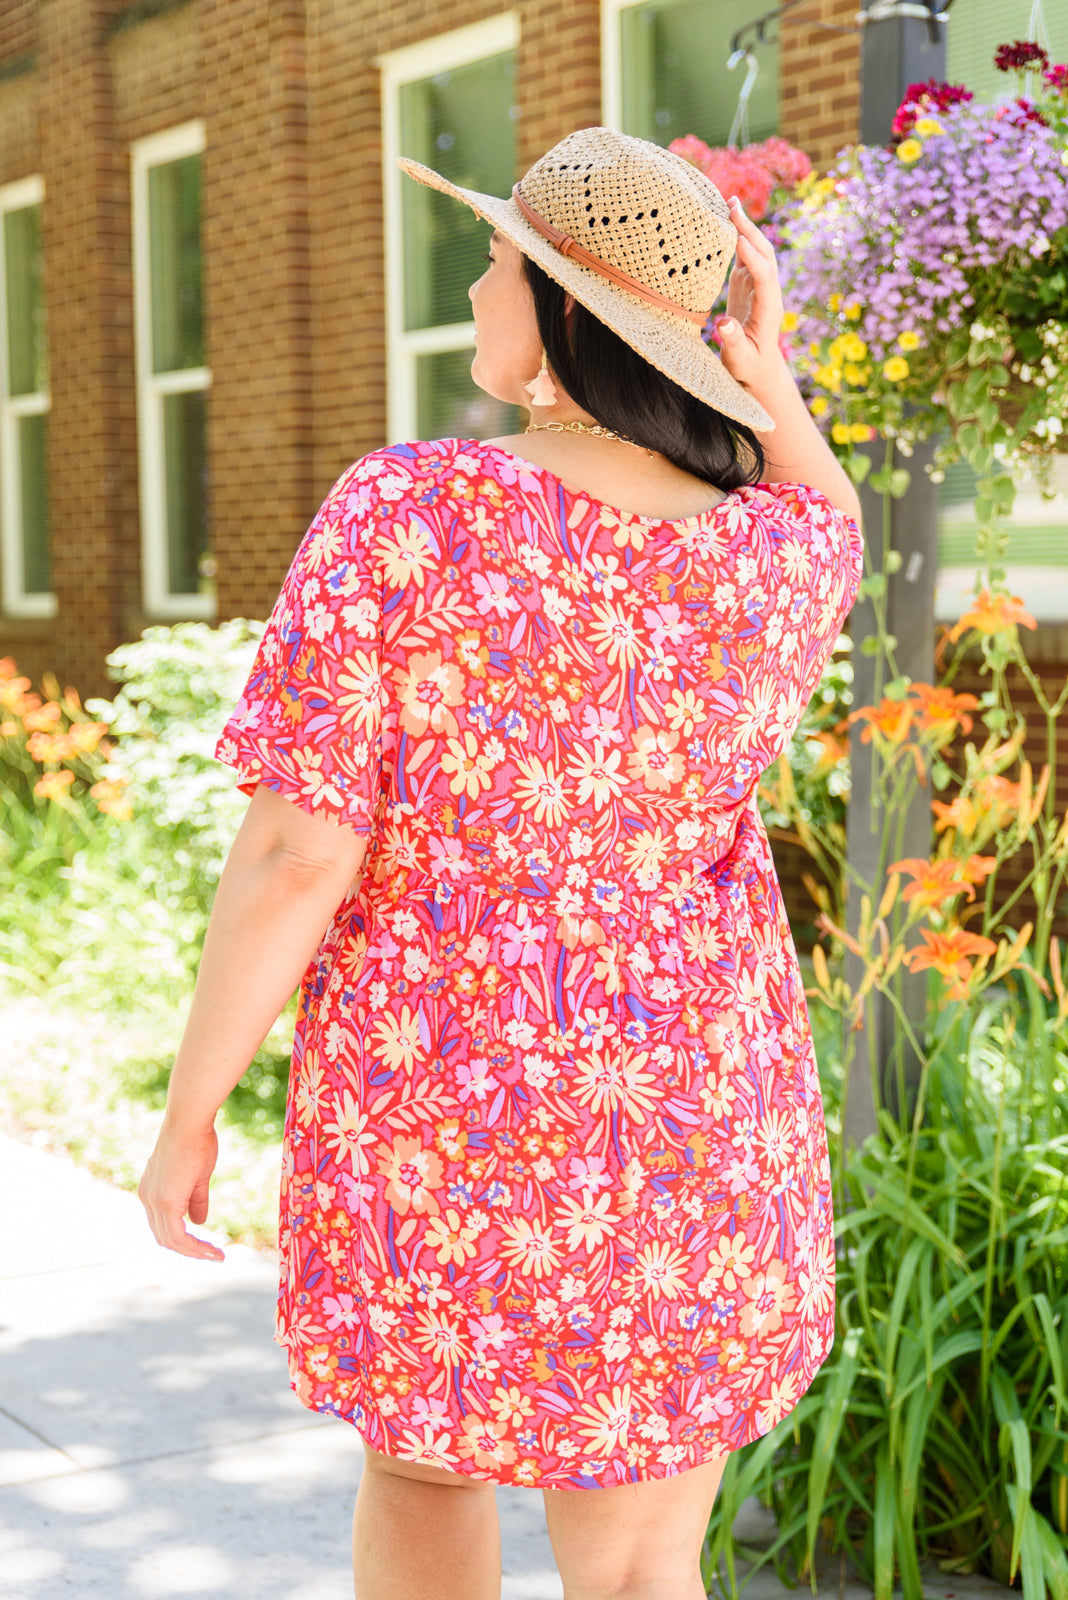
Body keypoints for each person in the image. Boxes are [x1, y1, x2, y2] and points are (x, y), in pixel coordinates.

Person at [139, 126, 863, 1600]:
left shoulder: (408, 515)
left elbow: (295, 851)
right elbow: (833, 509)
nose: (473, 289)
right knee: (644, 1565)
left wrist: (191, 1106)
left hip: (442, 1105)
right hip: (691, 1117)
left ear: (565, 312)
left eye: (494, 264)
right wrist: (758, 360)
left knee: (423, 1465)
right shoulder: (773, 557)